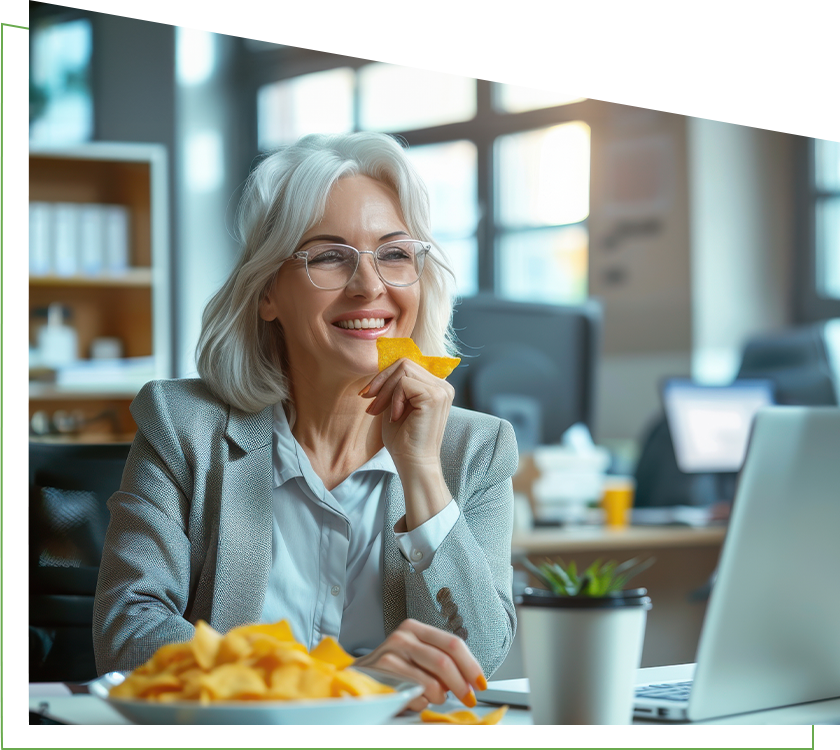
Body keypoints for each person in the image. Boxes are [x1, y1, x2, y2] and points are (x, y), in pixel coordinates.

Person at [93, 132, 518, 711]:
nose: (370, 286)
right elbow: (128, 636)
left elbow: (480, 655)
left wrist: (421, 471)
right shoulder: (183, 425)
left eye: (394, 254)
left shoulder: (476, 448)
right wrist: (333, 683)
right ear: (268, 292)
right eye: (329, 257)